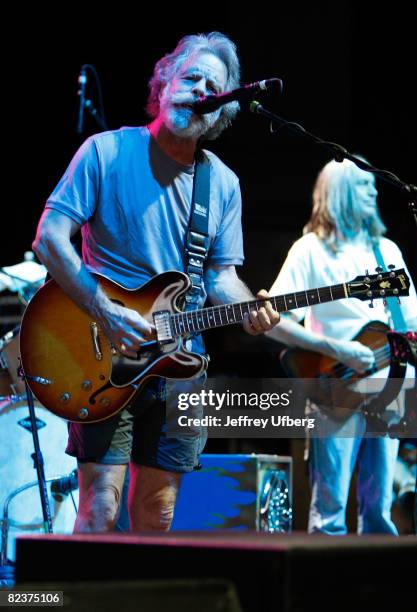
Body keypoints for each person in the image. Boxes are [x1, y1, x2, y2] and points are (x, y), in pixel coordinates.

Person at [32, 32, 279, 533]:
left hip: (181, 367)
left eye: (214, 88)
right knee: (100, 505)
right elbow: (49, 238)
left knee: (159, 514)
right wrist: (104, 310)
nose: (200, 90)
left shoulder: (223, 184)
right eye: (191, 77)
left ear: (221, 113)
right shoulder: (105, 151)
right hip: (100, 354)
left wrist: (253, 308)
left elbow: (220, 278)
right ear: (165, 82)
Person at [267, 158, 417, 534]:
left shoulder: (387, 251)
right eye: (366, 185)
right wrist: (336, 349)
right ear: (342, 191)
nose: (375, 191)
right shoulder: (310, 251)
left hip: (394, 386)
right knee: (329, 513)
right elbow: (275, 322)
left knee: (380, 511)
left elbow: (410, 323)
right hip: (335, 385)